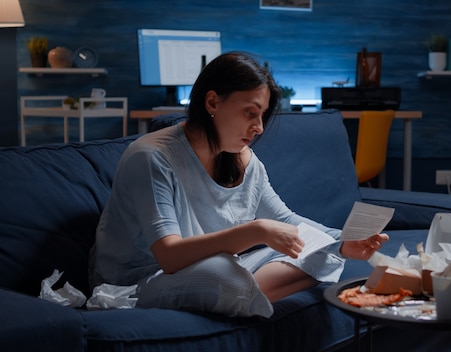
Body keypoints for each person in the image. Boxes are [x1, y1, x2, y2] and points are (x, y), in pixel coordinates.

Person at [90, 51, 389, 318]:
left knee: (319, 251)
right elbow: (169, 256)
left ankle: (249, 293)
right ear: (212, 102)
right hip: (142, 278)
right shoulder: (152, 157)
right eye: (250, 113)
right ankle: (246, 291)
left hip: (212, 264)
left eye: (261, 116)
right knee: (222, 276)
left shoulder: (243, 158)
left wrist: (341, 241)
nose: (258, 128)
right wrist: (254, 231)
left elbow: (285, 220)